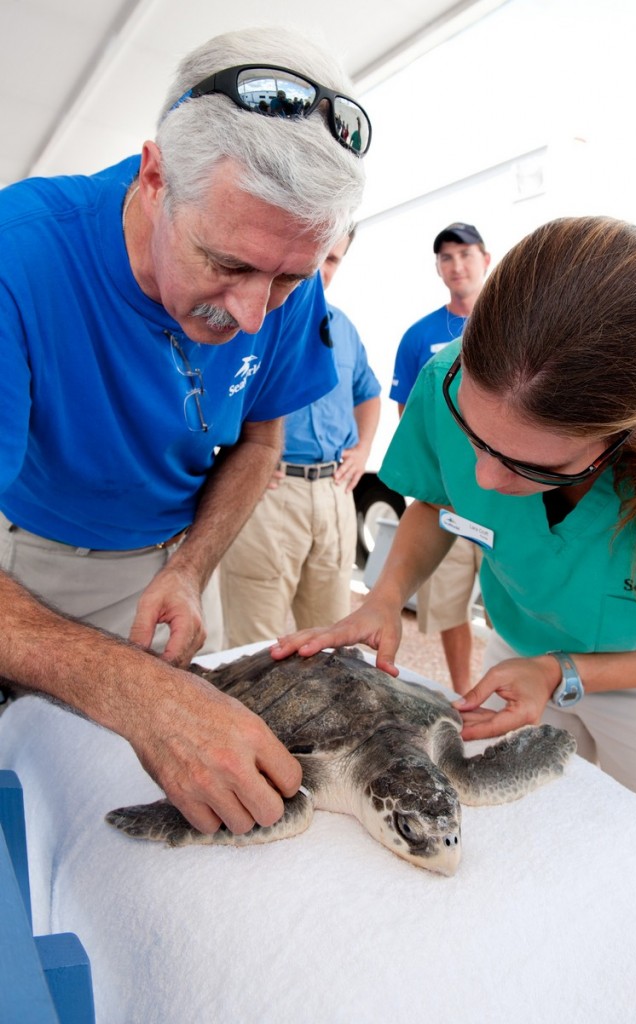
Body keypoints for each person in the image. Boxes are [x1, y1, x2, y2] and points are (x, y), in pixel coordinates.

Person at [0, 26, 371, 838]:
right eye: (226, 265)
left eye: (288, 279)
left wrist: (192, 567)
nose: (251, 313)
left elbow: (262, 441)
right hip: (22, 571)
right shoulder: (17, 256)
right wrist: (136, 691)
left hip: (169, 565)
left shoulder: (280, 269)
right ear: (155, 175)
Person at [273, 215, 636, 821]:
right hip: (515, 654)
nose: (485, 481)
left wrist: (565, 672)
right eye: (472, 438)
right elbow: (437, 502)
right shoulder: (445, 378)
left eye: (534, 465)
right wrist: (385, 597)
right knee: (517, 830)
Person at [220, 229, 381, 644]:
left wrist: (363, 449)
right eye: (318, 255)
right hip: (269, 496)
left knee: (330, 641)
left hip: (334, 496)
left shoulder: (344, 328)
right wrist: (232, 456)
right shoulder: (248, 321)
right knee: (252, 644)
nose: (320, 269)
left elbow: (369, 394)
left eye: (333, 260)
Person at [389, 223, 490, 692]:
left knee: (510, 606)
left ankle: (512, 685)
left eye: (465, 254)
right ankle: (463, 692)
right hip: (450, 501)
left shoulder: (510, 322)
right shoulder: (419, 337)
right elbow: (410, 418)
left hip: (511, 497)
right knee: (450, 606)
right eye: (446, 257)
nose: (457, 265)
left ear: (485, 259)